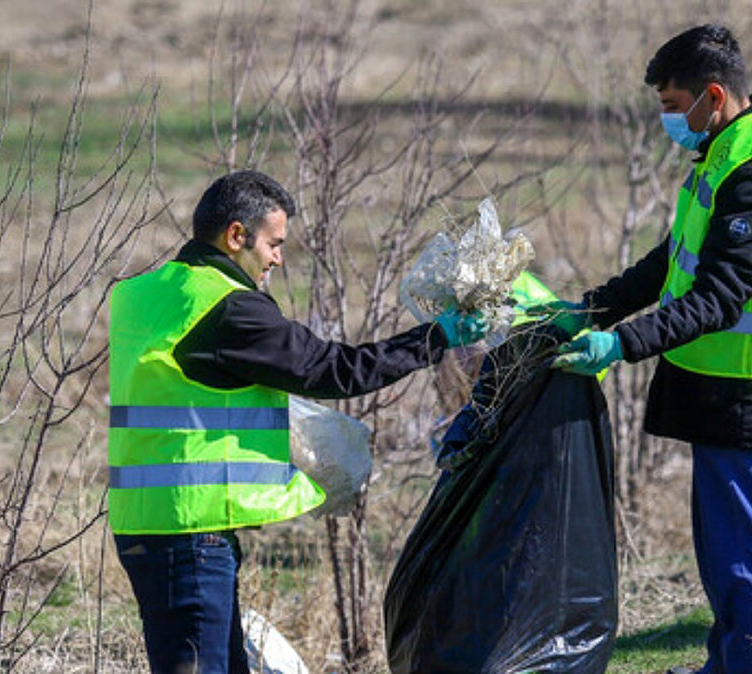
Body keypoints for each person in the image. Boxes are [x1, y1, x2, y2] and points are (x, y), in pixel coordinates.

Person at [107, 170, 487, 673]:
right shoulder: (225, 307)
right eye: (273, 243)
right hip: (190, 531)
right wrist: (434, 338)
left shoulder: (144, 293)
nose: (278, 259)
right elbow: (332, 368)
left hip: (150, 521)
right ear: (236, 235)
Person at [545, 24, 752, 674]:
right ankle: (729, 664)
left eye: (673, 107)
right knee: (720, 544)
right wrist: (591, 309)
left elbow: (719, 297)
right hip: (721, 384)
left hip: (748, 387)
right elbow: (674, 259)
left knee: (743, 553)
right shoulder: (729, 150)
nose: (669, 121)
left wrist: (620, 343)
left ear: (712, 95)